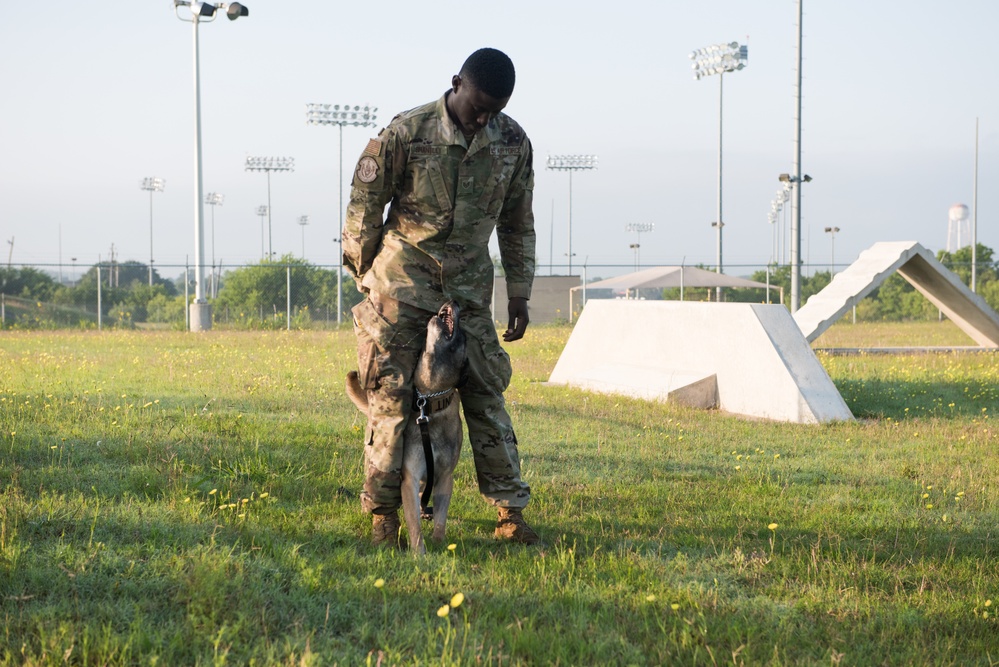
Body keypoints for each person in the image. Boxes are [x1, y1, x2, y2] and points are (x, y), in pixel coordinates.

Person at [343, 47, 539, 547]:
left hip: (468, 289)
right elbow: (365, 202)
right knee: (391, 398)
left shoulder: (513, 143)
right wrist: (361, 270)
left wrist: (520, 292)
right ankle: (385, 514)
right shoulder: (407, 132)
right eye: (477, 106)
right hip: (402, 282)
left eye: (495, 109)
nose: (484, 118)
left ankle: (509, 511)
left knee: (486, 395)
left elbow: (518, 222)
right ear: (456, 83)